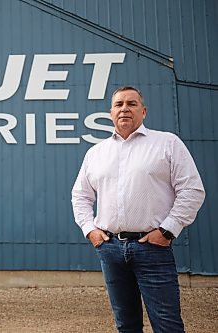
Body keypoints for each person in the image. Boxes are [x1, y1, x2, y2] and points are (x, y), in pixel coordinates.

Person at [71, 86, 205, 333]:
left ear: (143, 111)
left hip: (152, 247)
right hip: (110, 249)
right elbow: (80, 195)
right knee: (126, 325)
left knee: (167, 325)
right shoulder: (96, 153)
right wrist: (90, 230)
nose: (125, 109)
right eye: (119, 104)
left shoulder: (167, 143)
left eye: (131, 104)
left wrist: (167, 231)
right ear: (110, 113)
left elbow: (192, 191)